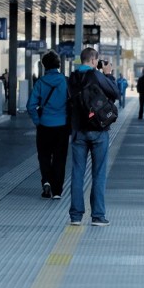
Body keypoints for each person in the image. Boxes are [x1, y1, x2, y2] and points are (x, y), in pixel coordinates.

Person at [68, 47, 119, 226]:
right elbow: (115, 93)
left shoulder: (72, 78)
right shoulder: (96, 76)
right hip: (98, 130)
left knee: (77, 173)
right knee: (98, 174)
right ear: (93, 60)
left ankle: (75, 216)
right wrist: (108, 74)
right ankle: (97, 216)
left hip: (77, 132)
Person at [26, 50, 69, 199]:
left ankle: (46, 182)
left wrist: (38, 122)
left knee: (44, 156)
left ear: (44, 66)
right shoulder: (65, 81)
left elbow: (30, 106)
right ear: (58, 65)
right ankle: (57, 191)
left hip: (44, 126)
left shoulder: (40, 83)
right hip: (62, 126)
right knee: (59, 158)